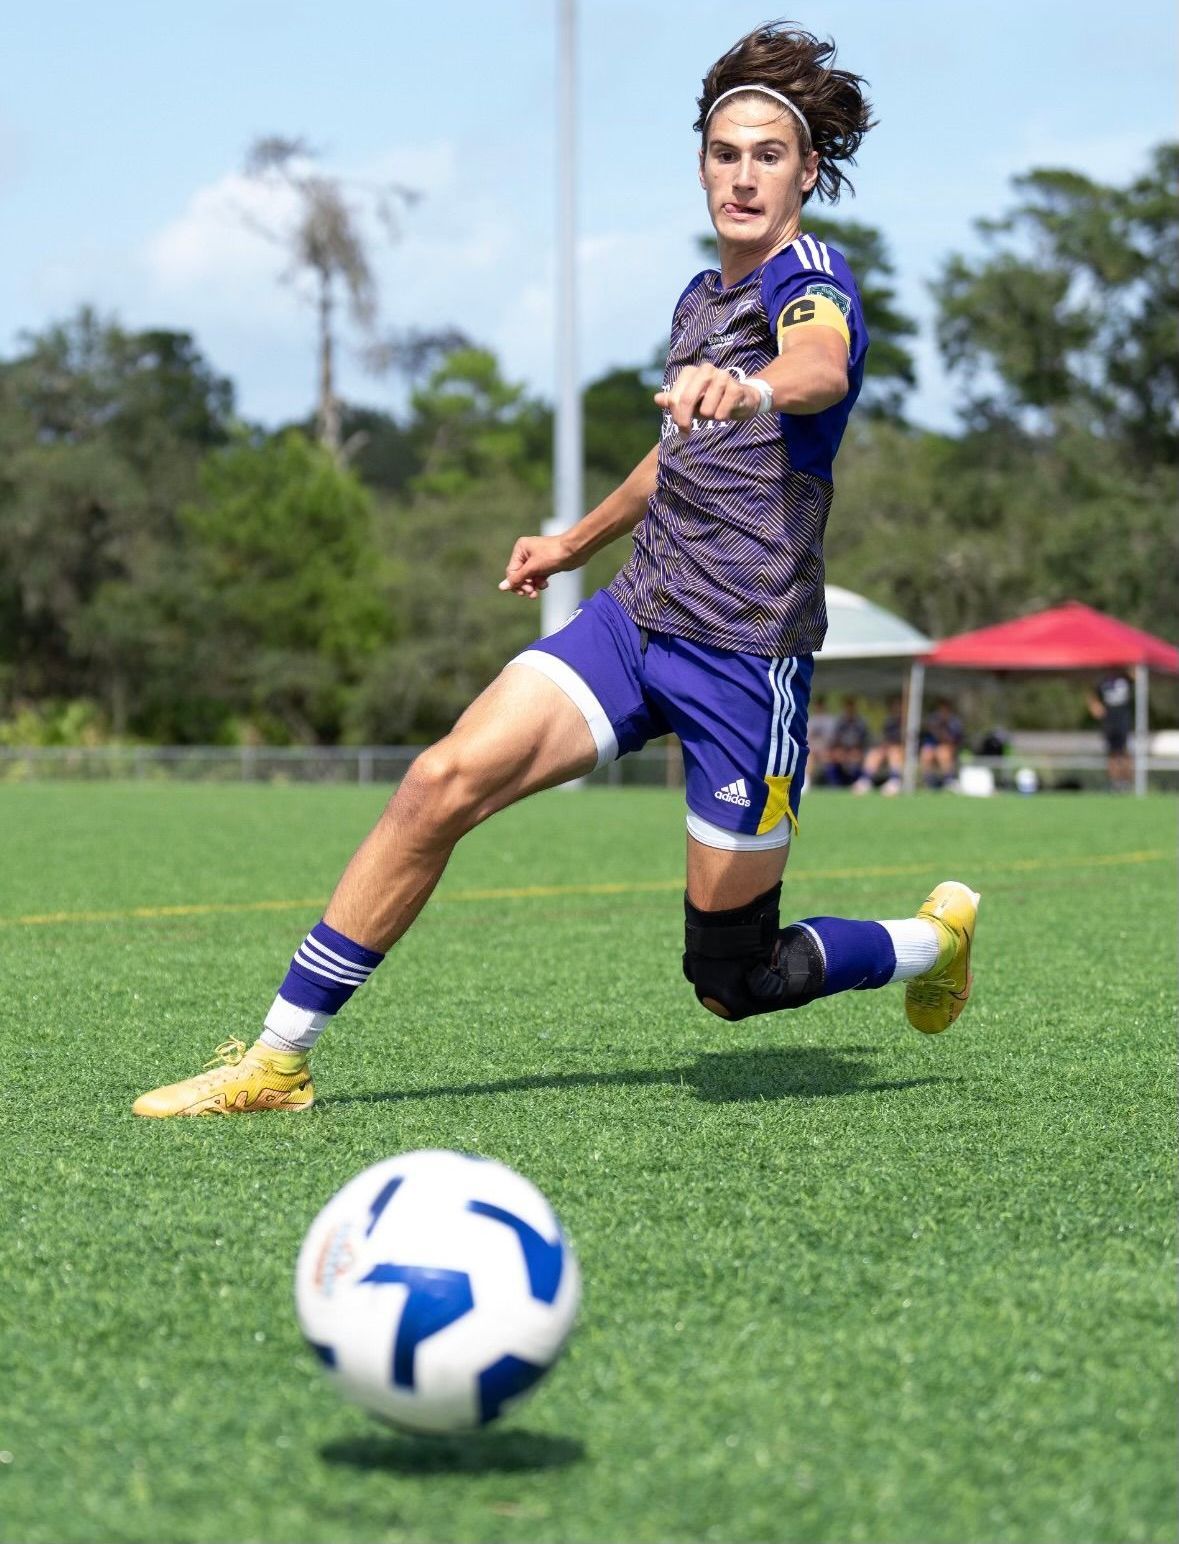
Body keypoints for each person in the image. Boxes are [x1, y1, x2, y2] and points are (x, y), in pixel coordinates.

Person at [134, 22, 980, 1119]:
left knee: (734, 980)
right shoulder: (695, 299)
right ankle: (278, 1058)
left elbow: (815, 362)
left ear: (809, 171)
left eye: (769, 154)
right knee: (439, 782)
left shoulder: (812, 278)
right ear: (701, 166)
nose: (744, 174)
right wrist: (576, 542)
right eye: (725, 152)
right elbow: (678, 457)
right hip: (637, 623)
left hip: (743, 660)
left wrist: (759, 388)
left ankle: (931, 939)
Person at [1088, 672, 1133, 791]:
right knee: (1112, 754)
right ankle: (1115, 784)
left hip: (1123, 722)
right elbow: (1092, 696)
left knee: (1124, 753)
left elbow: (1136, 675)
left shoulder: (1126, 677)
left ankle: (1126, 783)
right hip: (1109, 723)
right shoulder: (1102, 681)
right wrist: (1095, 706)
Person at [853, 696, 905, 794]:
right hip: (887, 748)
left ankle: (895, 781)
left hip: (901, 749)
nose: (897, 708)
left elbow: (906, 739)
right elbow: (885, 737)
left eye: (899, 706)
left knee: (895, 751)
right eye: (895, 706)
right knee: (875, 753)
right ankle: (865, 781)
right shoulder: (889, 721)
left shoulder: (908, 721)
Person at [825, 695, 870, 786]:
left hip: (857, 749)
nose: (849, 709)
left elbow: (863, 740)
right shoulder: (840, 722)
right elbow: (835, 738)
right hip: (843, 748)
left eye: (851, 706)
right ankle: (834, 783)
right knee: (835, 754)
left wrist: (853, 749)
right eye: (847, 707)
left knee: (855, 754)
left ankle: (857, 782)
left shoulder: (861, 722)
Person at [920, 698, 965, 788]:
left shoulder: (954, 722)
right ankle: (928, 782)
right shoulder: (932, 720)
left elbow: (956, 740)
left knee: (942, 752)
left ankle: (949, 781)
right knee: (926, 752)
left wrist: (941, 734)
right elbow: (927, 736)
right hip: (933, 747)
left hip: (949, 748)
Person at [804, 691, 835, 785]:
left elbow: (830, 738)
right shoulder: (810, 720)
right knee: (809, 755)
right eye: (817, 705)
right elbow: (807, 737)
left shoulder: (829, 720)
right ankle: (806, 781)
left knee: (826, 756)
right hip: (812, 748)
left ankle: (834, 782)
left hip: (826, 748)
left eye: (820, 705)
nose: (818, 707)